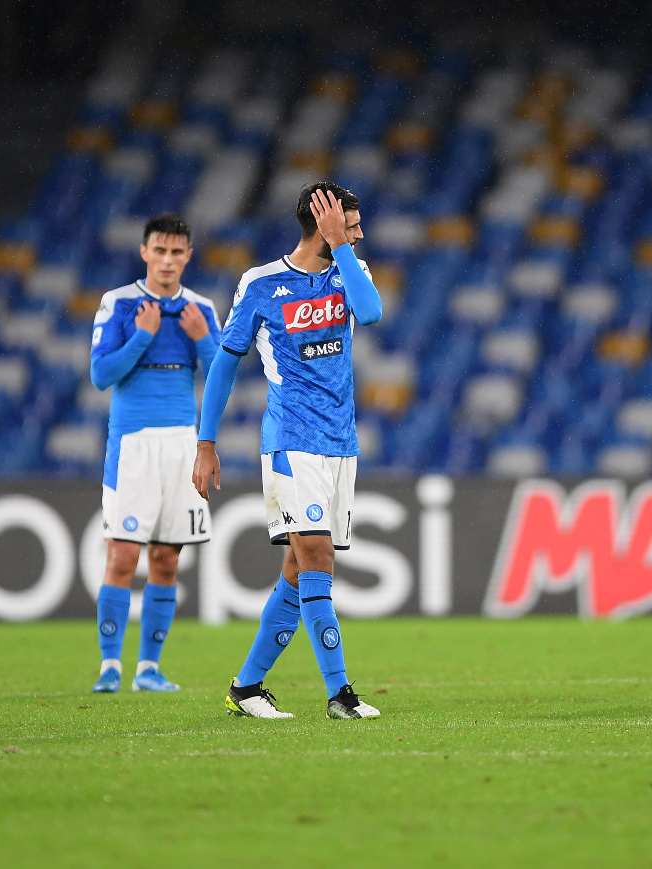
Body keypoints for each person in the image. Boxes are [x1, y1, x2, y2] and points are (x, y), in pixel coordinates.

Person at [193, 182, 383, 720]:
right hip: (290, 441)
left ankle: (247, 687)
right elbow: (225, 365)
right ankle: (340, 694)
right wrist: (205, 443)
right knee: (317, 558)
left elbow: (369, 315)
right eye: (352, 224)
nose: (360, 232)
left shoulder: (351, 273)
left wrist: (341, 248)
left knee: (300, 570)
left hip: (340, 444)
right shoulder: (261, 284)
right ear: (322, 225)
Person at [89, 214, 220, 693]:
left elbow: (221, 374)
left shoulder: (201, 309)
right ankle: (109, 666)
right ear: (144, 252)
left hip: (182, 445)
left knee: (166, 559)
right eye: (159, 251)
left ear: (188, 256)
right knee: (123, 556)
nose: (167, 260)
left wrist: (203, 339)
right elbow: (101, 375)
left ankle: (149, 668)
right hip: (132, 446)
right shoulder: (119, 303)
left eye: (176, 252)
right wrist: (142, 335)